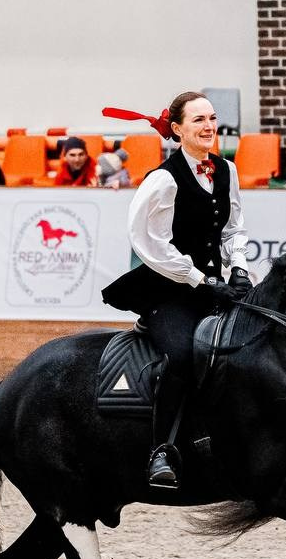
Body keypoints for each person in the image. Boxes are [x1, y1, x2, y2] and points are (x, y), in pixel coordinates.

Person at [101, 91, 250, 489]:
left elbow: (233, 227)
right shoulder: (164, 180)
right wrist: (200, 280)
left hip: (215, 286)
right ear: (178, 129)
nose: (208, 126)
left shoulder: (226, 171)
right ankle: (161, 450)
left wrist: (238, 268)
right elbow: (150, 243)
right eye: (198, 120)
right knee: (184, 355)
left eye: (212, 118)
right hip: (169, 290)